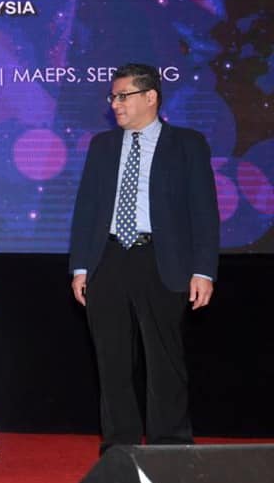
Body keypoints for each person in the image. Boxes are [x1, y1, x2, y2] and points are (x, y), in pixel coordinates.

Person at [70, 63, 219, 454]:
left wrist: (204, 270)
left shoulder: (187, 144)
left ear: (150, 97)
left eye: (123, 96)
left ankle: (170, 446)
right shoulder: (102, 146)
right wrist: (81, 267)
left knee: (164, 360)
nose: (115, 104)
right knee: (112, 360)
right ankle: (119, 446)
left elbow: (204, 211)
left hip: (162, 260)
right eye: (113, 97)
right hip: (107, 259)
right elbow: (86, 209)